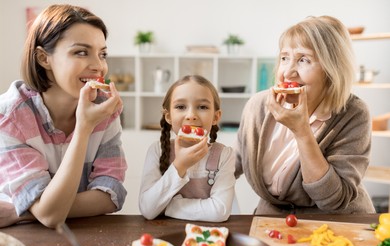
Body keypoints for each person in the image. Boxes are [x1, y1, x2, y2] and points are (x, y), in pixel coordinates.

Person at [0, 4, 127, 228]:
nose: (99, 66)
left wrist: (24, 212)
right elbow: (50, 217)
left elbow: (111, 195)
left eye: (102, 54)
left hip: (76, 234)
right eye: (81, 52)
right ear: (43, 58)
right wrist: (84, 128)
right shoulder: (10, 117)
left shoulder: (105, 108)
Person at [234, 16, 375, 214]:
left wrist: (301, 131)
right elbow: (232, 164)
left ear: (331, 69)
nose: (288, 72)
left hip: (339, 223)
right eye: (284, 58)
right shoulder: (258, 106)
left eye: (303, 60)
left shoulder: (354, 114)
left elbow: (333, 199)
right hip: (273, 221)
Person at [139, 75, 235, 222]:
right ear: (168, 116)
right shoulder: (157, 151)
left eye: (202, 107)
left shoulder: (224, 155)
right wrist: (180, 165)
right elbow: (147, 209)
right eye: (181, 107)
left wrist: (167, 207)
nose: (191, 115)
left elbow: (219, 211)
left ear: (216, 117)